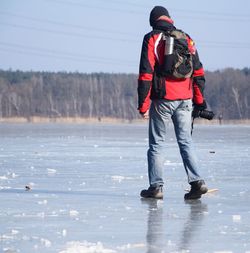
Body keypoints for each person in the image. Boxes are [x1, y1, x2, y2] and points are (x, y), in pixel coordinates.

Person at [137, 6, 208, 200]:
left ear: (153, 21)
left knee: (157, 144)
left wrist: (143, 106)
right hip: (185, 99)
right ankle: (197, 183)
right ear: (170, 19)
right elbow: (198, 72)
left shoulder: (152, 38)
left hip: (163, 100)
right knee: (186, 141)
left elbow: (146, 73)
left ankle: (156, 187)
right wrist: (199, 101)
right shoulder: (186, 38)